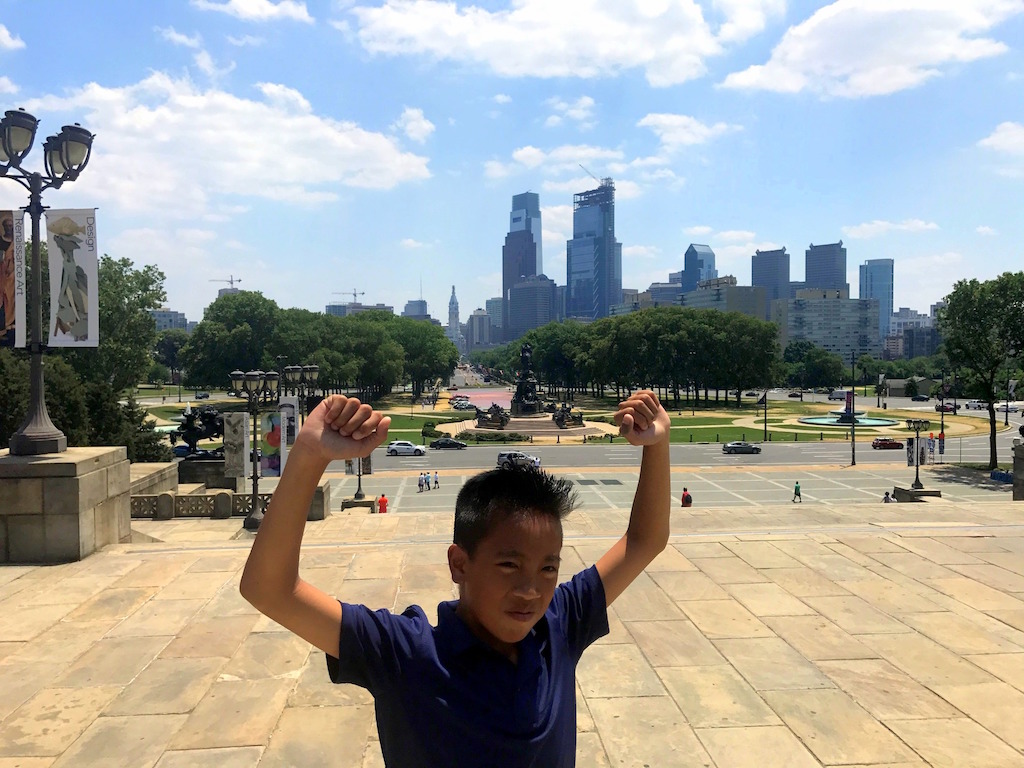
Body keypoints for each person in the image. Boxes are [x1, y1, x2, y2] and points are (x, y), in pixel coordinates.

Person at [240, 390, 671, 767]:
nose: (531, 590)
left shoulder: (557, 625)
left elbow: (644, 541)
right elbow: (269, 589)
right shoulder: (406, 653)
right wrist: (308, 456)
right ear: (459, 564)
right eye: (508, 565)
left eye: (549, 568)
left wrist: (658, 444)